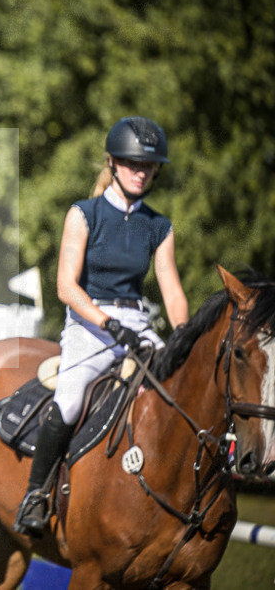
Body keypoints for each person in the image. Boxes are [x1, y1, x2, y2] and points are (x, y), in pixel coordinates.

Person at [13, 116, 189, 536]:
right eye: (132, 163)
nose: (141, 172)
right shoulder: (83, 214)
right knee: (71, 399)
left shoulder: (159, 226)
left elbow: (172, 292)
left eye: (148, 166)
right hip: (89, 323)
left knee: (180, 392)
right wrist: (108, 324)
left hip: (137, 322)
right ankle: (36, 494)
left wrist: (183, 337)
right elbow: (66, 287)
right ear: (112, 162)